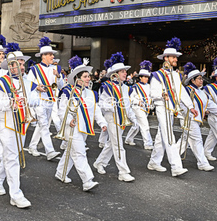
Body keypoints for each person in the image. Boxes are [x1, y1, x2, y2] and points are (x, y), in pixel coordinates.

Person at [0, 43, 38, 207]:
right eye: (19, 64)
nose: (22, 67)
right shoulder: (1, 83)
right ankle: (16, 195)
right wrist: (11, 102)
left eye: (23, 64)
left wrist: (28, 101)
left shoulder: (28, 82)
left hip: (22, 123)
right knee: (12, 158)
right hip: (6, 125)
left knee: (12, 156)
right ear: (10, 66)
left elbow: (36, 100)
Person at [55, 56, 107, 191]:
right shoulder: (67, 91)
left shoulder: (91, 93)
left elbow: (96, 110)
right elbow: (61, 111)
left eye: (88, 76)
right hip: (71, 127)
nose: (88, 78)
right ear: (77, 79)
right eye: (85, 76)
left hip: (85, 127)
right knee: (79, 153)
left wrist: (102, 123)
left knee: (71, 151)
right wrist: (68, 120)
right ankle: (87, 180)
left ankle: (60, 173)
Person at [147, 38, 197, 177]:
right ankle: (176, 167)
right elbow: (153, 93)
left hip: (171, 108)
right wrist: (162, 95)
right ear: (166, 58)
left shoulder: (175, 74)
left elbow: (181, 92)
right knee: (169, 135)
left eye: (176, 57)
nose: (176, 59)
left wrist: (190, 106)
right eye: (173, 57)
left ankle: (154, 162)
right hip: (162, 107)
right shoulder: (157, 75)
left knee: (161, 136)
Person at [93, 52, 137, 182]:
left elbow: (127, 105)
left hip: (122, 119)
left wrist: (132, 118)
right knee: (118, 145)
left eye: (125, 71)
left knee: (112, 144)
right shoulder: (107, 87)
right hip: (112, 118)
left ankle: (99, 163)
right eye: (122, 71)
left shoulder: (126, 88)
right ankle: (123, 172)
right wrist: (112, 106)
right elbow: (102, 104)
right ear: (115, 74)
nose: (125, 73)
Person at [178, 62, 217, 171]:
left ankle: (173, 156)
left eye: (202, 78)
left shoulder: (202, 93)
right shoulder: (187, 90)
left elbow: (211, 105)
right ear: (192, 80)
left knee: (184, 141)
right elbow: (181, 103)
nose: (202, 80)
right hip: (189, 119)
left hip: (196, 120)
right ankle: (202, 163)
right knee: (197, 140)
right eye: (199, 78)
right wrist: (186, 113)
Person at [27, 36, 63, 161]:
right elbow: (28, 83)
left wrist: (59, 76)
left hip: (51, 100)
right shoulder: (35, 69)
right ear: (43, 56)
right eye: (50, 54)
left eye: (52, 54)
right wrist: (37, 87)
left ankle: (32, 146)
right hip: (39, 100)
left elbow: (61, 86)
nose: (52, 56)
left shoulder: (56, 69)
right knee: (43, 124)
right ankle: (50, 151)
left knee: (43, 125)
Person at [125, 60, 154, 149]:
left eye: (147, 77)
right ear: (140, 77)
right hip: (137, 108)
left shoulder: (149, 86)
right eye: (144, 77)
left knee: (137, 125)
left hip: (146, 108)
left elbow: (151, 97)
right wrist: (138, 102)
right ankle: (148, 144)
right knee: (145, 125)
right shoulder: (136, 87)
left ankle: (128, 139)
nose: (146, 79)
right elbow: (130, 98)